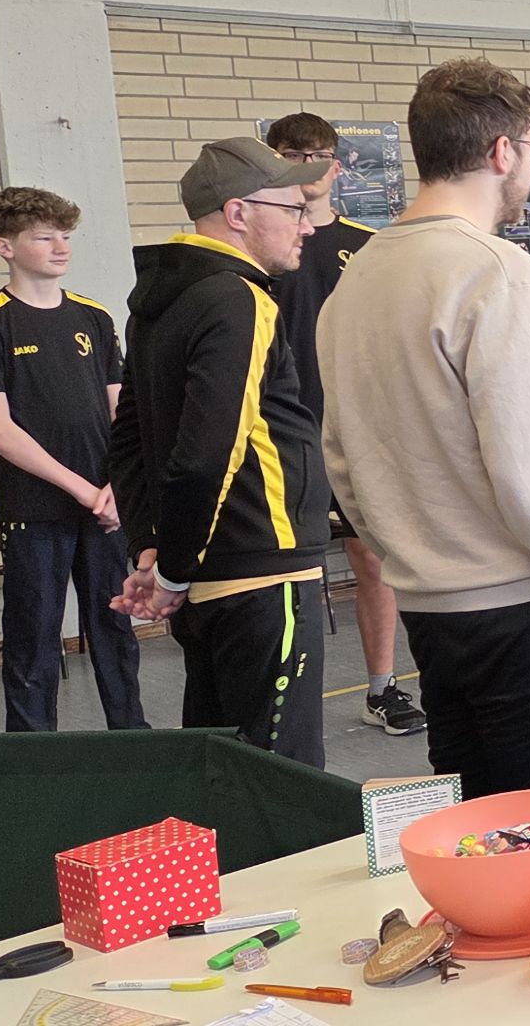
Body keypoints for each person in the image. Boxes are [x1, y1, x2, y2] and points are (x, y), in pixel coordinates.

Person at [318, 58, 530, 798]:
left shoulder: (355, 278)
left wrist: (409, 556)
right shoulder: (499, 271)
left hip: (431, 613)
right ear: (500, 150)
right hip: (526, 613)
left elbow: (342, 457)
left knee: (478, 829)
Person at [107, 138, 332, 768]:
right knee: (282, 778)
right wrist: (171, 571)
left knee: (228, 770)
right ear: (238, 213)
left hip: (209, 577)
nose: (308, 226)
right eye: (294, 209)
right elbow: (209, 453)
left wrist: (152, 549)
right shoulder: (240, 299)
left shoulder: (159, 303)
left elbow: (128, 440)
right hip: (263, 570)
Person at [264, 112, 425, 738]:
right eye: (292, 154)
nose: (306, 165)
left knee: (373, 562)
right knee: (286, 571)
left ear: (335, 165)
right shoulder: (264, 250)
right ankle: (283, 695)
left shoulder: (367, 247)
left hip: (357, 431)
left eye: (318, 155)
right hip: (281, 434)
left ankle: (382, 688)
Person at [0, 187, 146, 733]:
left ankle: (131, 739)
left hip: (105, 506)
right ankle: (31, 752)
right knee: (35, 633)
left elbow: (122, 411)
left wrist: (116, 486)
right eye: (44, 237)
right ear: (6, 247)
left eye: (65, 236)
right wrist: (83, 490)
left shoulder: (94, 316)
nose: (61, 247)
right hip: (35, 507)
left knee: (115, 626)